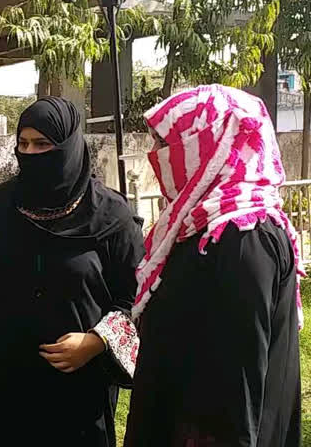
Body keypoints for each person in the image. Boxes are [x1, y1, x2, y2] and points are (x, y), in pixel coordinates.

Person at [0, 97, 145, 446]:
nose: (31, 153)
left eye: (43, 144)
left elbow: (136, 295)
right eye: (23, 144)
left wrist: (96, 341)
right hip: (6, 380)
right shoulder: (3, 203)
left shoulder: (112, 216)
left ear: (68, 147)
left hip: (75, 388)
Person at [124, 85, 302, 447]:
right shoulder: (200, 223)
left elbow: (239, 384)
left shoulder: (242, 236)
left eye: (165, 145)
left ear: (208, 146)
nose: (155, 156)